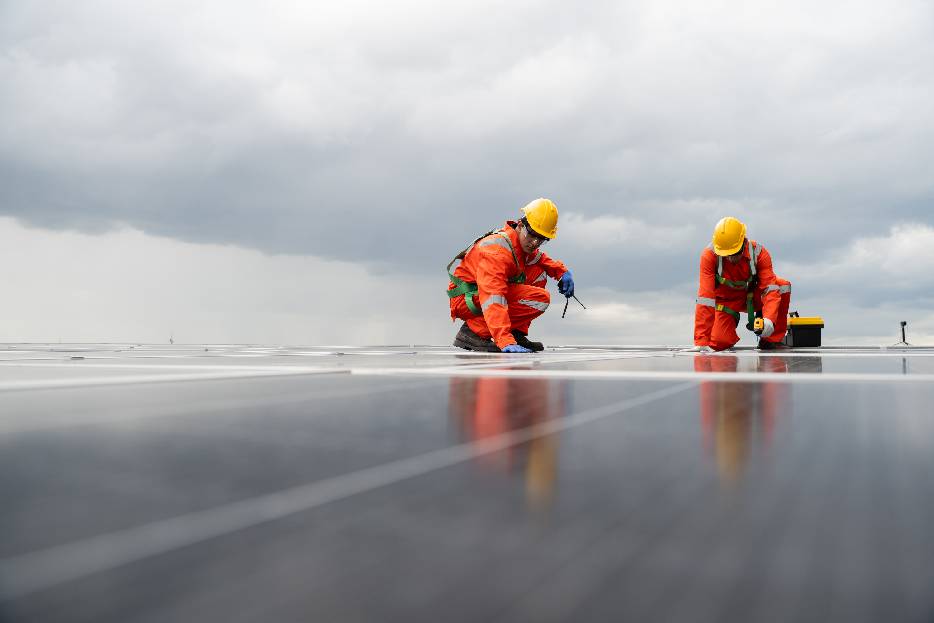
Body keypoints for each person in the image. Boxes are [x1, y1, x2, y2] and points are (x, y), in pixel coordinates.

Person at [447, 198, 575, 353]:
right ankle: (473, 331)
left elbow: (539, 258)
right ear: (520, 225)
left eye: (541, 239)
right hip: (467, 299)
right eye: (532, 235)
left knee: (539, 271)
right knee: (540, 299)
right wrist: (504, 340)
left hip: (479, 293)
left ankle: (516, 332)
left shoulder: (519, 245)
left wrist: (562, 273)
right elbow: (493, 296)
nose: (535, 243)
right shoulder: (497, 252)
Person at [693, 216, 792, 351]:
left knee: (782, 285)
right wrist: (701, 341)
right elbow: (705, 298)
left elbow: (770, 289)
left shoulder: (759, 253)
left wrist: (769, 319)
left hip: (752, 297)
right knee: (719, 342)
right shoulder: (709, 256)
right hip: (726, 302)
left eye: (735, 253)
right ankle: (730, 321)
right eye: (726, 255)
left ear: (744, 241)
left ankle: (770, 340)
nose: (731, 258)